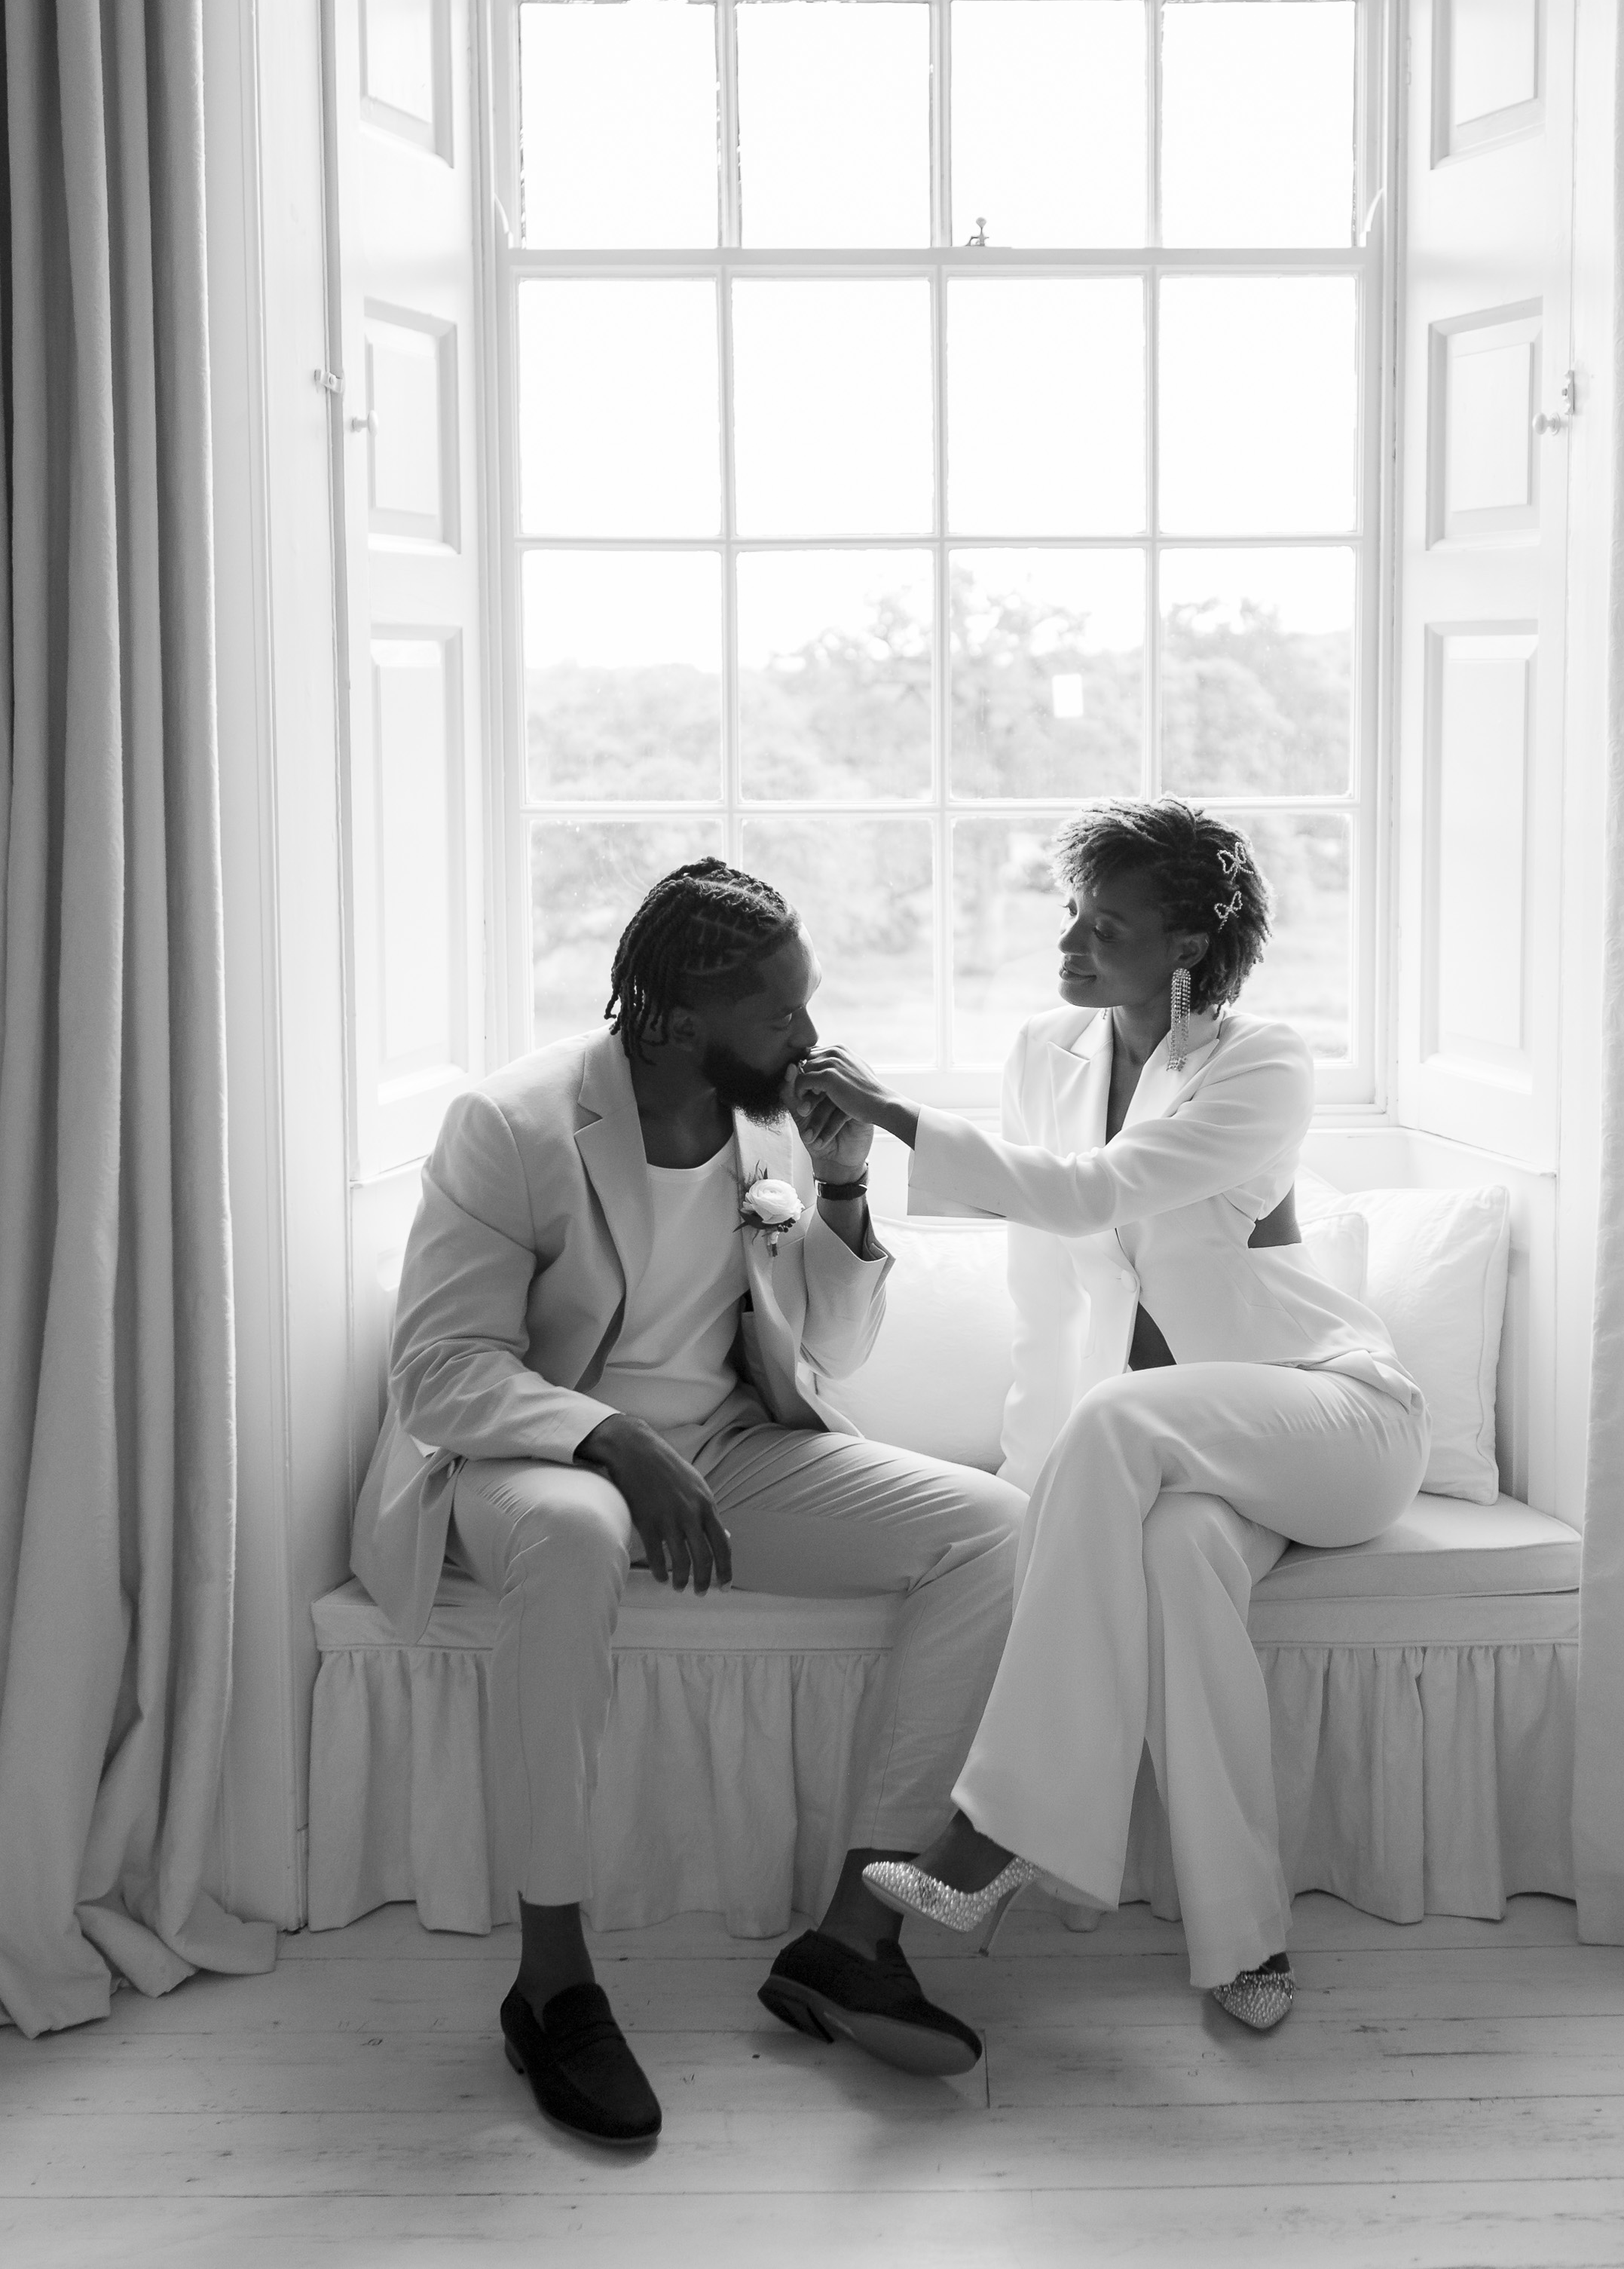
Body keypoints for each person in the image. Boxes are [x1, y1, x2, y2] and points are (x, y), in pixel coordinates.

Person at [350, 859, 1026, 2143]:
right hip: (530, 1455)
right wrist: (609, 1439)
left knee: (991, 1527)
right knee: (573, 1526)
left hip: (727, 1448)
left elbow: (832, 1344)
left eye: (805, 1003)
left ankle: (852, 1937)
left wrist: (839, 1187)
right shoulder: (512, 1124)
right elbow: (440, 1371)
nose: (809, 1038)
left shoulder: (767, 1118)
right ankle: (551, 1982)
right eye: (779, 1015)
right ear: (670, 1020)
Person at [794, 798, 1430, 2035]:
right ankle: (1249, 1942)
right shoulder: (1050, 1051)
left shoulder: (1261, 1062)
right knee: (1179, 1562)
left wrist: (896, 1112)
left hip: (1333, 1417)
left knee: (1121, 1420)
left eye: (1111, 924)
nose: (1074, 942)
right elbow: (1053, 1278)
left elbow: (1092, 1194)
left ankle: (987, 1842)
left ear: (1189, 945)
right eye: (1073, 912)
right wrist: (1043, 1486)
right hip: (1181, 1468)